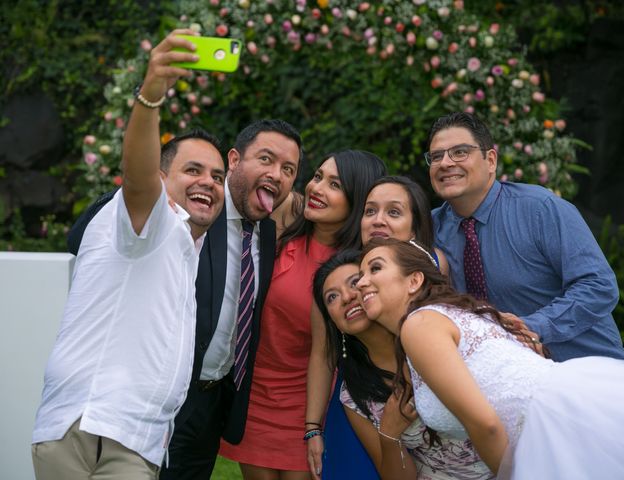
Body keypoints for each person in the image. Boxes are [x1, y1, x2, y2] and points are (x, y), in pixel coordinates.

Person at [64, 32, 303, 480]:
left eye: (288, 169)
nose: (277, 174)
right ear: (235, 160)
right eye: (266, 159)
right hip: (153, 397)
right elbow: (85, 234)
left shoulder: (268, 233)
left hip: (211, 407)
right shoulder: (186, 211)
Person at [31, 29, 226, 479]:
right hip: (93, 432)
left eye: (217, 176)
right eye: (192, 170)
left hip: (137, 438)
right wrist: (151, 96)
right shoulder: (148, 217)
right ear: (162, 176)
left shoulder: (185, 244)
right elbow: (137, 178)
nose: (208, 182)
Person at [358, 238, 624, 479]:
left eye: (376, 268)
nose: (361, 282)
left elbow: (486, 424)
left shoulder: (419, 326)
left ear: (414, 281)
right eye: (360, 274)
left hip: (555, 430)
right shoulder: (437, 319)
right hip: (551, 429)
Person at [219, 150, 387, 479]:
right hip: (252, 394)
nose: (317, 188)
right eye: (318, 177)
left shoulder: (353, 270)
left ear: (356, 200)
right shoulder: (284, 226)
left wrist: (313, 427)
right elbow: (252, 182)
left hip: (309, 400)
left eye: (334, 184)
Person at [427, 111, 624, 361]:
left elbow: (599, 286)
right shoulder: (430, 228)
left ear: (490, 160)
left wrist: (532, 327)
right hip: (499, 382)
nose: (445, 162)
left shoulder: (540, 209)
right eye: (436, 156)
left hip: (583, 368)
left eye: (460, 152)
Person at [306, 176, 452, 479]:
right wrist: (312, 427)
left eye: (393, 212)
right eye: (370, 211)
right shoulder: (340, 275)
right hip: (364, 394)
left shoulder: (433, 264)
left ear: (415, 226)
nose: (378, 221)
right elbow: (323, 354)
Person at [314, 249, 492, 480]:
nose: (347, 297)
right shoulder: (353, 395)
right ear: (333, 322)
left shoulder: (433, 329)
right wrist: (389, 433)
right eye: (332, 297)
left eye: (355, 283)